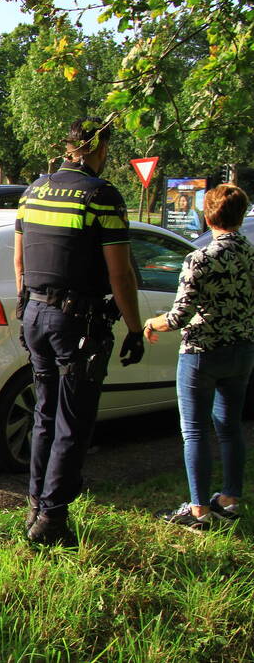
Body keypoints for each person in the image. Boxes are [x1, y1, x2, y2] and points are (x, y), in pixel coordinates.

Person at [14, 117, 145, 546]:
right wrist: (133, 327)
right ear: (95, 148)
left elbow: (19, 262)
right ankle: (51, 520)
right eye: (106, 148)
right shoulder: (101, 196)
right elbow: (120, 272)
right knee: (72, 423)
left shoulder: (34, 190)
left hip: (34, 314)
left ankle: (36, 506)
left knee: (44, 416)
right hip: (77, 324)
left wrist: (25, 304)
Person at [143, 183, 254, 530]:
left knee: (194, 432)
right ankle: (231, 499)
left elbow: (179, 316)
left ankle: (198, 511)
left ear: (207, 215)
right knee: (230, 427)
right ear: (241, 215)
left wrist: (151, 323)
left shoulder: (200, 258)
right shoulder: (250, 253)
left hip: (202, 353)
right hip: (242, 350)